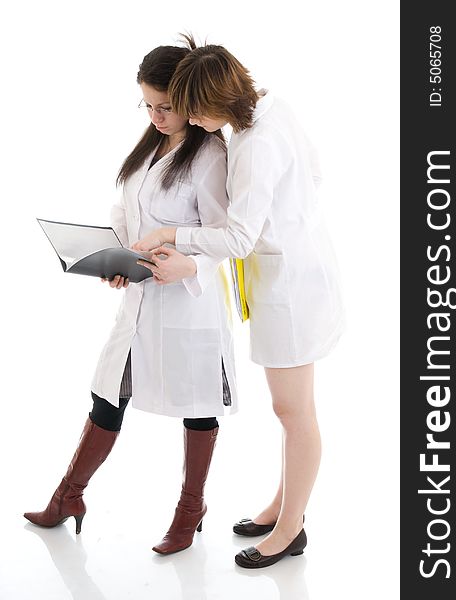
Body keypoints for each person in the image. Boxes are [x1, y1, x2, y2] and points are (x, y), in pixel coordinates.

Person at [133, 40, 345, 568]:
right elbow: (314, 174)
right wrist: (289, 218)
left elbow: (238, 240)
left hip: (291, 286)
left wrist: (171, 234)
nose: (195, 123)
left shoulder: (253, 146)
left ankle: (290, 530)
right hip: (296, 269)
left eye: (194, 110)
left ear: (214, 100)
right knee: (290, 408)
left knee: (293, 411)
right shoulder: (272, 106)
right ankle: (281, 506)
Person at [24, 38, 237, 556]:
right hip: (139, 298)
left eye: (166, 106)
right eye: (147, 104)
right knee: (107, 396)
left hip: (188, 301)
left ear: (190, 97)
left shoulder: (209, 154)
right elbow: (128, 212)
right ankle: (68, 496)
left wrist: (187, 265)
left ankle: (191, 510)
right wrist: (114, 258)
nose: (156, 115)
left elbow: (227, 234)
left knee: (198, 406)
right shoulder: (149, 145)